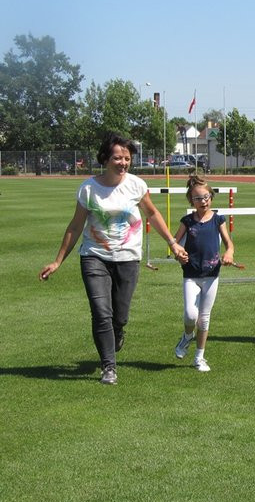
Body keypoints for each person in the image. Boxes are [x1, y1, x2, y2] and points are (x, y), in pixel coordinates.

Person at [39, 133, 188, 384]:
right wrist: (57, 261)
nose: (123, 163)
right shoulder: (88, 188)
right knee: (101, 313)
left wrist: (173, 243)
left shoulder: (136, 185)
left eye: (127, 158)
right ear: (105, 159)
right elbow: (75, 226)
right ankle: (109, 366)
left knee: (120, 316)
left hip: (128, 258)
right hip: (94, 257)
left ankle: (117, 332)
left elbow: (152, 215)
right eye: (118, 158)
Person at [172, 175, 234, 372]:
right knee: (190, 315)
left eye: (206, 197)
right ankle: (187, 337)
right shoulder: (187, 221)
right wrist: (178, 255)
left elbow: (228, 243)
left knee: (204, 318)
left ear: (212, 197)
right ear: (191, 201)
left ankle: (199, 357)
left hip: (211, 275)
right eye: (198, 198)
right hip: (191, 274)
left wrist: (229, 253)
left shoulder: (218, 219)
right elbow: (174, 244)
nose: (203, 201)